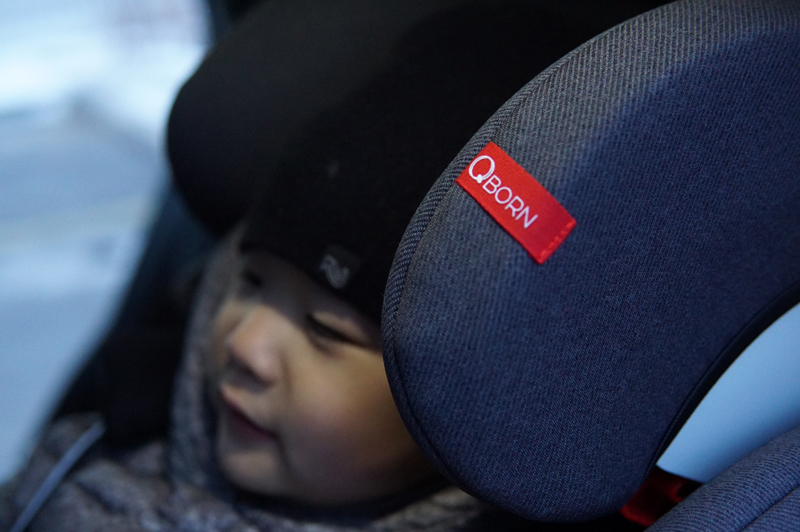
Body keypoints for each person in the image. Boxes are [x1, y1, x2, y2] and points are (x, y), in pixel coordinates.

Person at [0, 2, 628, 530]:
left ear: (465, 418)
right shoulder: (96, 445)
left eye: (325, 331)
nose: (244, 344)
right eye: (250, 283)